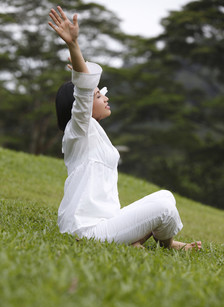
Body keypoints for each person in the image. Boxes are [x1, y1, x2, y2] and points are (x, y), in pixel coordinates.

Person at [48, 6, 201, 251]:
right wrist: (74, 46)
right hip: (86, 230)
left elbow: (85, 91)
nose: (105, 98)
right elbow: (84, 91)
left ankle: (157, 242)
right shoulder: (77, 130)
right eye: (99, 95)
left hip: (108, 222)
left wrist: (82, 66)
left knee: (165, 197)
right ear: (81, 106)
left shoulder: (93, 133)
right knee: (163, 208)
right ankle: (165, 245)